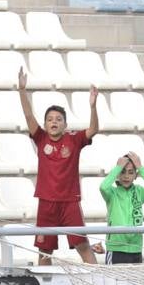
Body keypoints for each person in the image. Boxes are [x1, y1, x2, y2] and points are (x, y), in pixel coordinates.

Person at [17, 68, 98, 265]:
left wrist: (93, 107)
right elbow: (29, 117)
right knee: (45, 250)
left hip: (70, 201)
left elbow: (94, 129)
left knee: (83, 245)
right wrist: (21, 90)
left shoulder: (74, 139)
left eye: (59, 119)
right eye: (50, 119)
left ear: (65, 124)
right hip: (46, 202)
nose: (54, 122)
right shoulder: (41, 137)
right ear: (45, 124)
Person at [97, 152, 144, 264]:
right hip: (116, 249)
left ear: (136, 175)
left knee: (134, 282)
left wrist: (140, 167)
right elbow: (103, 187)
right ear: (117, 174)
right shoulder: (111, 193)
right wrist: (118, 167)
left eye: (131, 172)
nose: (126, 176)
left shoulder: (140, 192)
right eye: (122, 172)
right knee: (114, 281)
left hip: (136, 248)